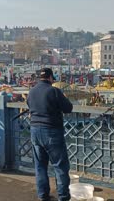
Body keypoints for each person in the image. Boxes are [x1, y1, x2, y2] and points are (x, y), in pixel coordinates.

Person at [27, 68, 73, 201]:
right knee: (60, 167)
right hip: (52, 132)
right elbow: (68, 108)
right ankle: (63, 197)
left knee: (40, 165)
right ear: (51, 78)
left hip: (35, 131)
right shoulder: (54, 91)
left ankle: (43, 195)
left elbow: (30, 105)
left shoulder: (32, 91)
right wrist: (63, 97)